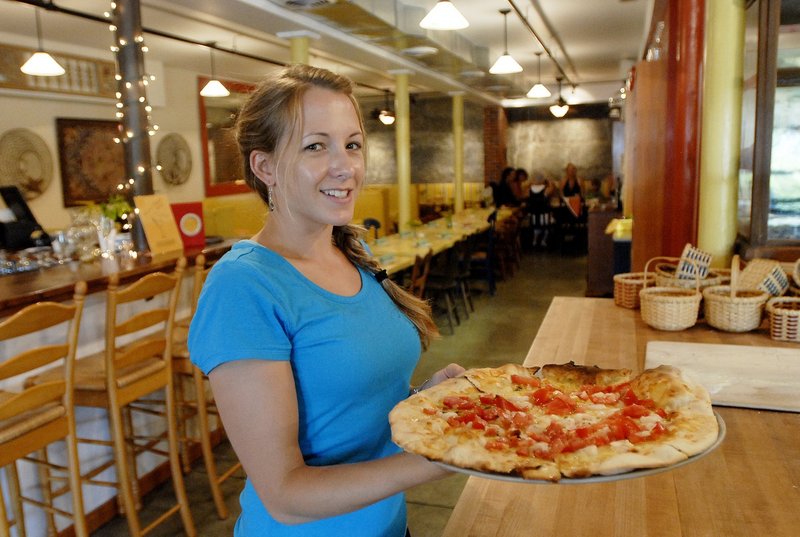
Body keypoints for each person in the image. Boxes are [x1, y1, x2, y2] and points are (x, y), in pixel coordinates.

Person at [188, 65, 463, 536]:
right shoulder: (243, 287)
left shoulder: (353, 254)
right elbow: (286, 496)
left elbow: (352, 415)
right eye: (316, 146)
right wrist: (447, 456)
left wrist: (429, 397)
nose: (346, 166)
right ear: (265, 166)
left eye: (352, 144)